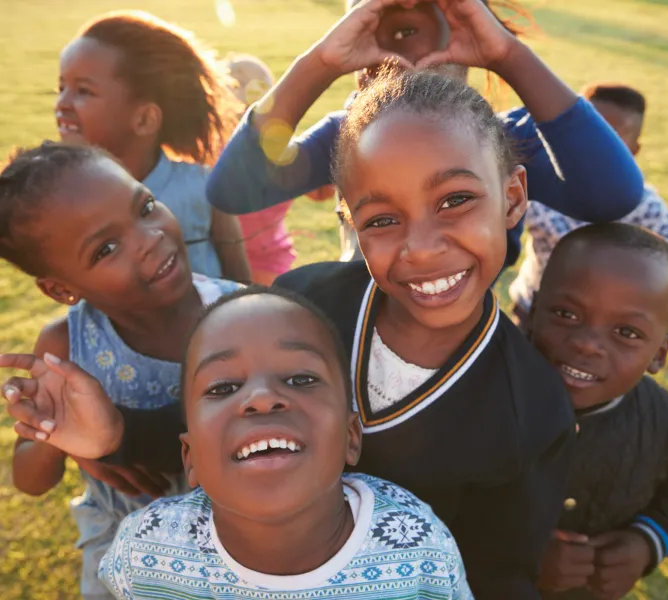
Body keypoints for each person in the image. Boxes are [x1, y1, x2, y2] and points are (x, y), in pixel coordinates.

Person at [4, 71, 578, 600]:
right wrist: (117, 433)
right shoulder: (308, 301)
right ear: (352, 222)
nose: (422, 247)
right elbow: (222, 424)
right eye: (382, 219)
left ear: (512, 197)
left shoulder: (533, 410)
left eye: (455, 200)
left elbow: (502, 571)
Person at [92, 286, 472, 599]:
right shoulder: (145, 551)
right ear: (189, 458)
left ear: (351, 438)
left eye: (301, 379)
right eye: (223, 386)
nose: (261, 397)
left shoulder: (419, 548)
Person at [205, 0, 643, 268]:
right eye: (381, 13)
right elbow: (233, 191)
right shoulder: (350, 137)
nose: (406, 28)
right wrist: (320, 62)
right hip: (359, 341)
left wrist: (508, 55)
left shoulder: (504, 141)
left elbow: (613, 195)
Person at [0, 142, 239, 599]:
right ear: (61, 288)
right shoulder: (65, 349)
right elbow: (29, 481)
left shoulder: (244, 315)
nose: (149, 237)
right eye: (106, 247)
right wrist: (55, 435)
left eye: (145, 206)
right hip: (122, 553)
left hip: (235, 543)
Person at [530, 223, 668, 600]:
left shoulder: (664, 423)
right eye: (566, 314)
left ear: (660, 354)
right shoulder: (481, 401)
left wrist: (644, 544)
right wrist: (516, 554)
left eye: (627, 332)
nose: (587, 344)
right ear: (535, 308)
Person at [55, 10, 250, 280]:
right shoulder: (63, 200)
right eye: (61, 87)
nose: (62, 103)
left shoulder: (204, 188)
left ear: (145, 119)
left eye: (84, 91)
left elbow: (244, 287)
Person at [509, 82, 668, 330]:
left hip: (602, 328)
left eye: (613, 137)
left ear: (634, 150)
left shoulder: (644, 207)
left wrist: (621, 269)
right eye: (591, 133)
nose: (597, 147)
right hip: (532, 309)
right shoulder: (540, 184)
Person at [223, 54, 297, 284]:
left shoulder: (207, 152)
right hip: (269, 262)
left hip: (227, 262)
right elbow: (320, 192)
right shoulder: (281, 148)